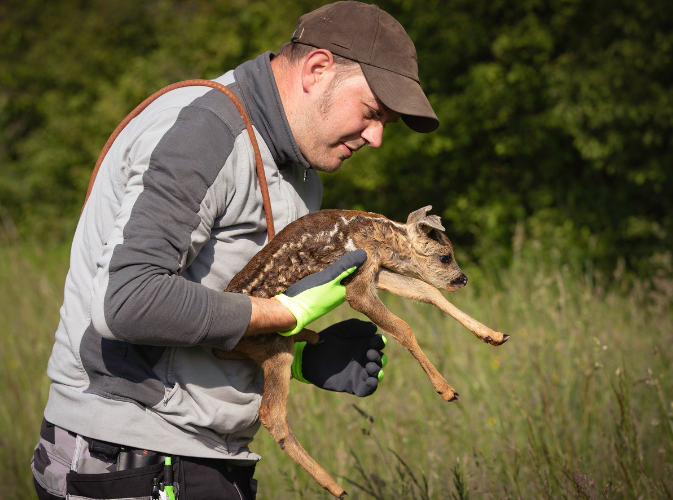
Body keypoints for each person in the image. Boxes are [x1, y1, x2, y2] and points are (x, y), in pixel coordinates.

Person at [30, 2, 439, 499]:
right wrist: (284, 315)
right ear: (317, 69)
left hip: (205, 460)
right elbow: (128, 300)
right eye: (372, 113)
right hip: (130, 461)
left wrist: (301, 355)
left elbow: (215, 307)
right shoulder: (206, 132)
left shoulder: (299, 170)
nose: (376, 138)